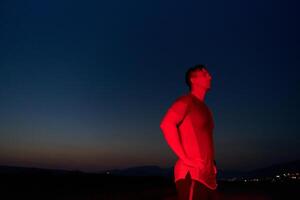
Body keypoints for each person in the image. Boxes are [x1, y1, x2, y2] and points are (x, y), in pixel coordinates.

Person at [160, 64, 219, 200]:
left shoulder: (206, 110)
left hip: (209, 177)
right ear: (193, 80)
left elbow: (205, 140)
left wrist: (212, 165)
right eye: (205, 74)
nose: (210, 76)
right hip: (191, 174)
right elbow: (166, 124)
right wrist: (186, 158)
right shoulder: (186, 101)